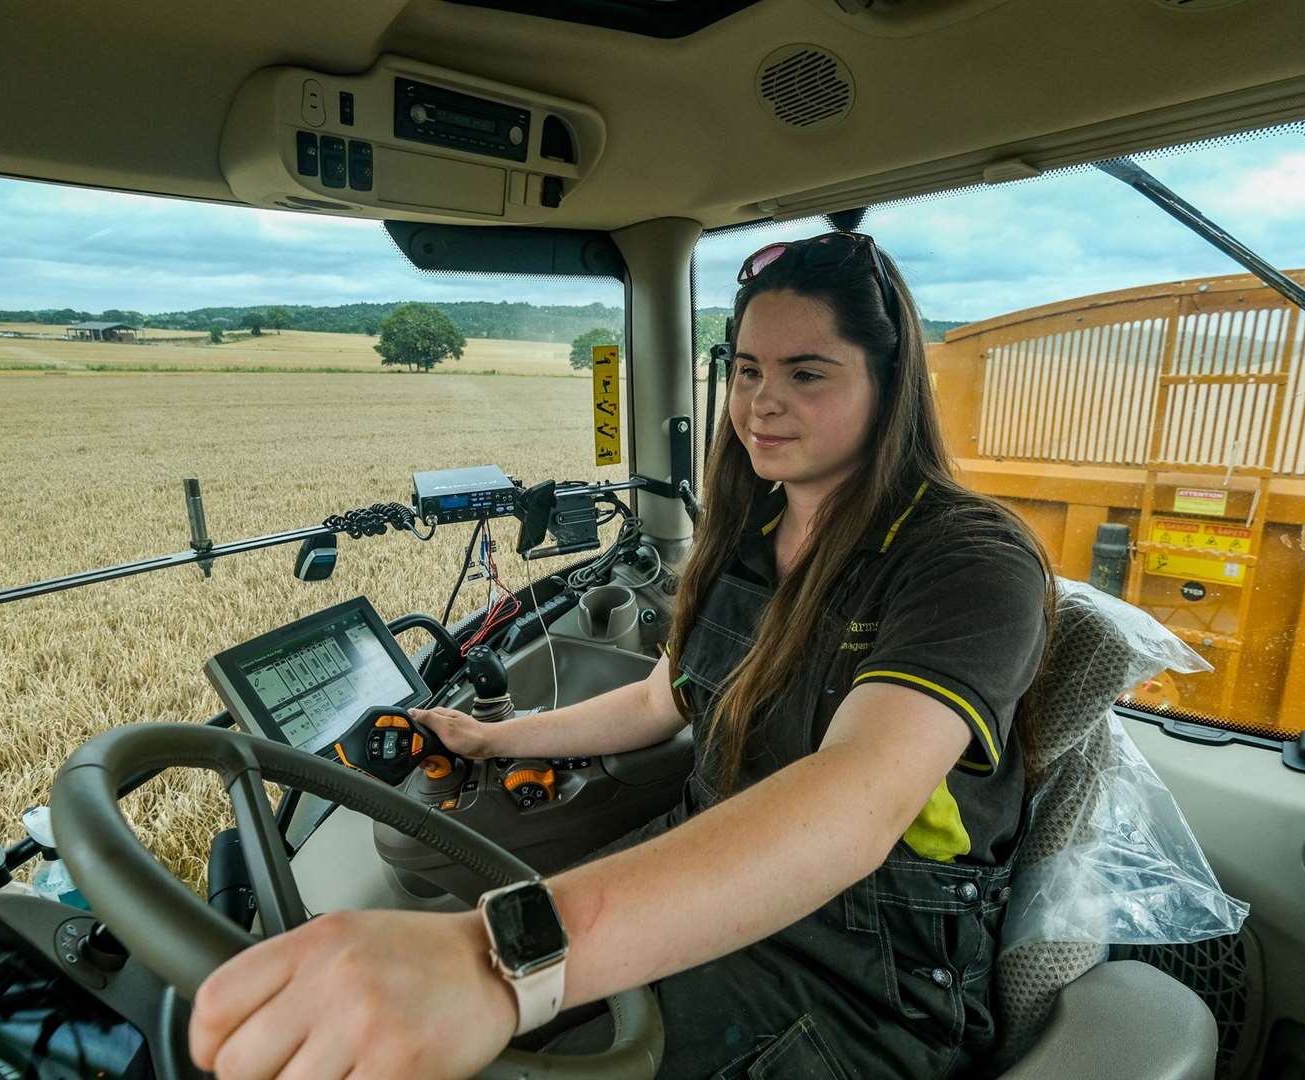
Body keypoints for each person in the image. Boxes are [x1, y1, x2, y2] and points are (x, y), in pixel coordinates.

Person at [188, 231, 1055, 1079]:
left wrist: (497, 957)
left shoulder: (967, 560)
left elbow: (855, 801)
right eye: (747, 370)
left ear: (890, 384)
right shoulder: (750, 533)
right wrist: (496, 738)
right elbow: (660, 701)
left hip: (865, 964)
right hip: (707, 848)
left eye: (806, 372)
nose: (760, 403)